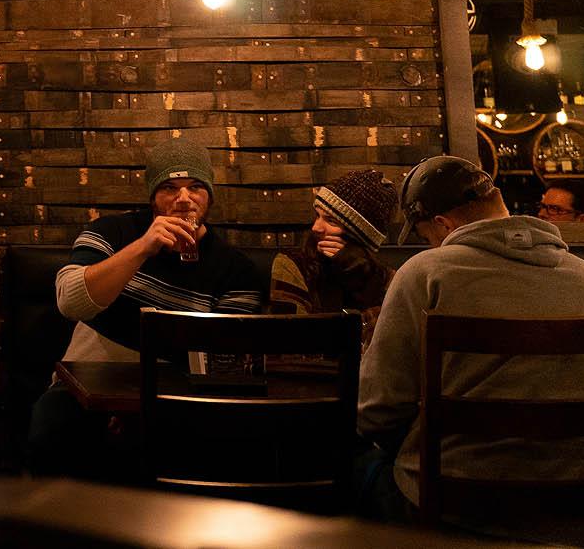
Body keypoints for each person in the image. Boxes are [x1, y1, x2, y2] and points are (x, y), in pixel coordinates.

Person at [356, 156, 584, 543]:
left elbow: (377, 412)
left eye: (427, 235)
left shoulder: (425, 274)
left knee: (356, 465)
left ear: (443, 225)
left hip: (456, 513)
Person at [26, 137, 265, 478]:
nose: (184, 199)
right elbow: (70, 302)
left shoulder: (235, 269)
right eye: (170, 187)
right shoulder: (110, 232)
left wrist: (141, 411)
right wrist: (142, 247)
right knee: (51, 424)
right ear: (153, 195)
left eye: (195, 187)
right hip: (85, 390)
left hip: (175, 399)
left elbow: (225, 359)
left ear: (209, 195)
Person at [267, 169, 396, 345]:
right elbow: (292, 339)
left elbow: (390, 343)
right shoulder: (292, 265)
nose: (316, 227)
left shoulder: (387, 279)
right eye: (317, 216)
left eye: (331, 221)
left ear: (359, 235)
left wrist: (356, 277)